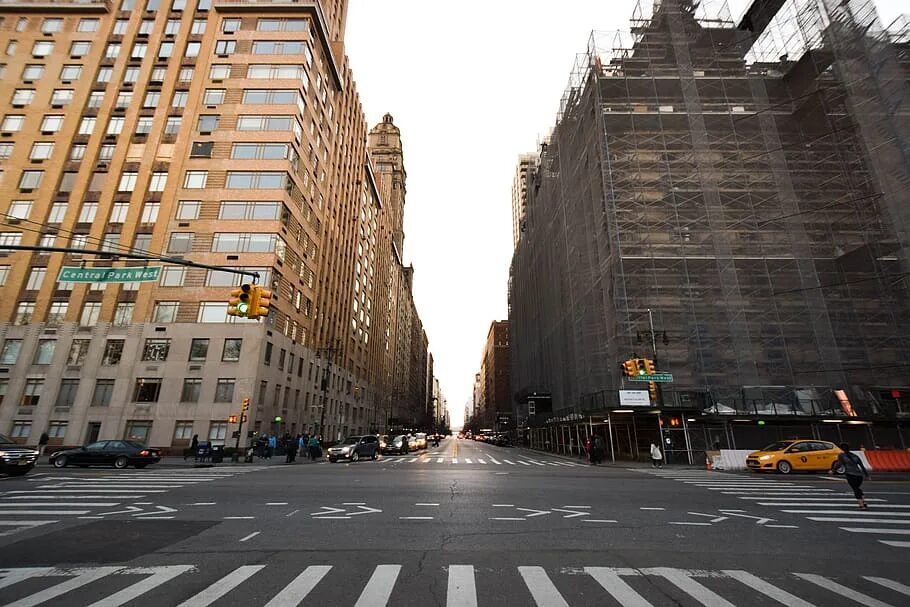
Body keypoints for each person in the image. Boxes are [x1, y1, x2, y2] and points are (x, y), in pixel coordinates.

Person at [835, 442, 870, 509]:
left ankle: (861, 505)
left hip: (850, 474)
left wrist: (833, 470)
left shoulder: (841, 455)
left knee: (855, 489)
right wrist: (867, 475)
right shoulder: (855, 456)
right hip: (859, 476)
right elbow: (862, 466)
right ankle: (864, 502)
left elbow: (839, 464)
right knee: (857, 488)